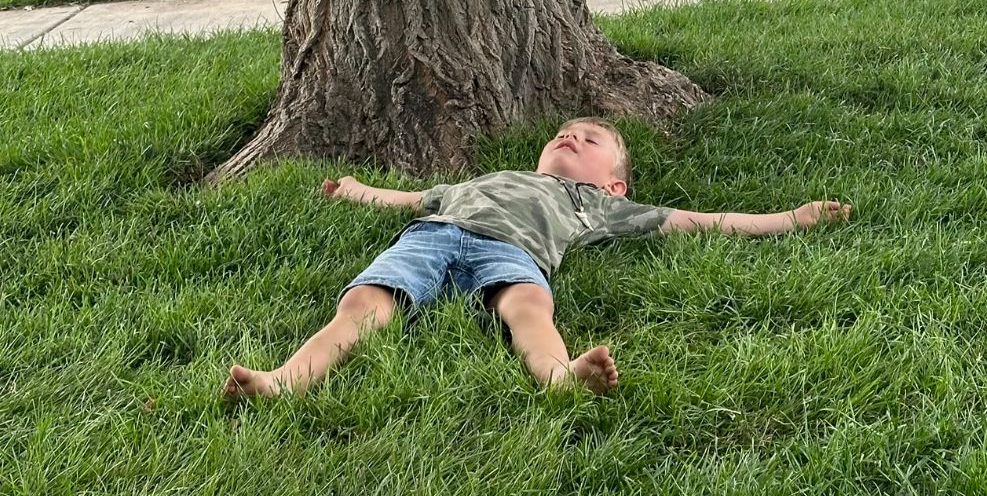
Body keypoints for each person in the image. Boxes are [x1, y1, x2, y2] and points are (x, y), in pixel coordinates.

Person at [223, 117, 851, 398]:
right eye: (564, 133)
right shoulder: (488, 179)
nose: (571, 136)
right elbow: (413, 198)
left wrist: (790, 219)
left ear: (614, 185)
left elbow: (696, 221)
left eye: (590, 139)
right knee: (365, 302)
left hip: (514, 252)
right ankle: (286, 381)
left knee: (528, 305)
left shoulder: (594, 204)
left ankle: (558, 376)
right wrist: (356, 190)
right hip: (432, 236)